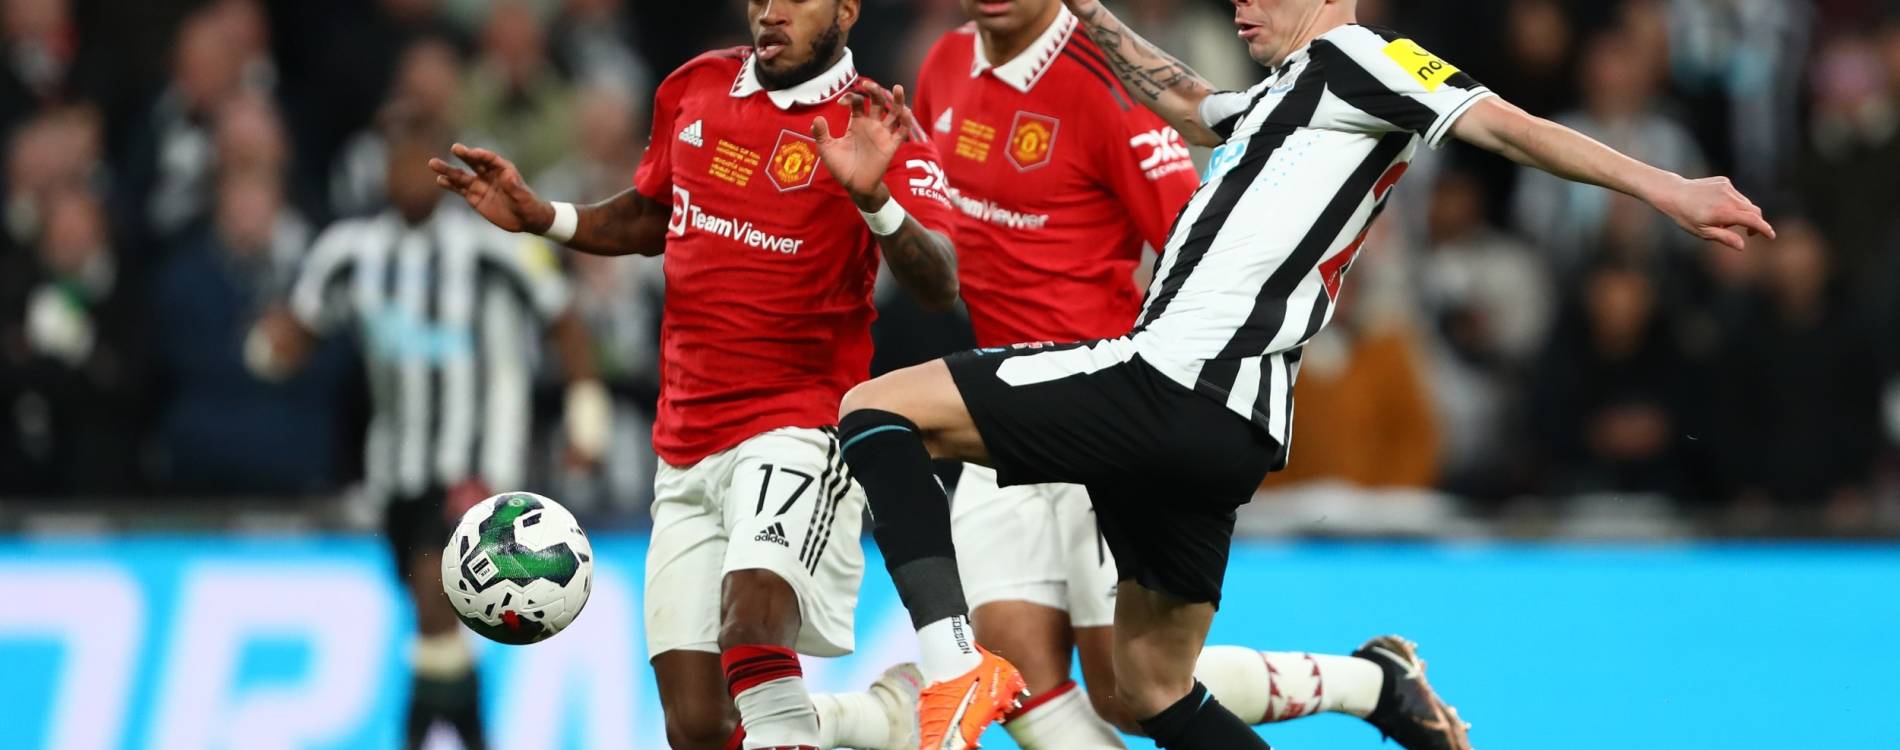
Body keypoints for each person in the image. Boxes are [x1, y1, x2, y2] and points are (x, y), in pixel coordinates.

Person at [834, 0, 1774, 749]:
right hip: (1230, 431)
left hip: (1164, 380)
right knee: (1155, 690)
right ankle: (1375, 687)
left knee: (875, 410)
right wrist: (1086, 9)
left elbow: (1511, 126)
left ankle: (954, 664)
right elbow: (1183, 99)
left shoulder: (1367, 59)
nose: (1240, 3)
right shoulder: (1283, 97)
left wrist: (1669, 190)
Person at [909, 1, 1461, 747]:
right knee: (1019, 679)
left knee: (1129, 691)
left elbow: (1199, 242)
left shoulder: (1103, 84)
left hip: (1099, 405)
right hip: (997, 406)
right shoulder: (943, 66)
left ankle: (1370, 684)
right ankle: (1376, 682)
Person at [427, 1, 968, 748]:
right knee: (699, 728)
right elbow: (656, 215)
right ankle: (884, 721)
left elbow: (941, 280)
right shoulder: (694, 87)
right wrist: (544, 216)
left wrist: (874, 201)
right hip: (683, 445)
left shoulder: (875, 124)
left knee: (752, 621)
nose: (770, 12)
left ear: (846, 9)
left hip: (798, 426)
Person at [245, 115, 611, 750]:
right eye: (399, 158)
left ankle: (417, 738)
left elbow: (564, 321)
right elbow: (297, 330)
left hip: (478, 461)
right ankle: (471, 734)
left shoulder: (495, 246)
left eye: (422, 158)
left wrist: (587, 417)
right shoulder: (352, 251)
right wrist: (267, 348)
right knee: (435, 625)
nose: (410, 172)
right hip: (397, 466)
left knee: (434, 593)